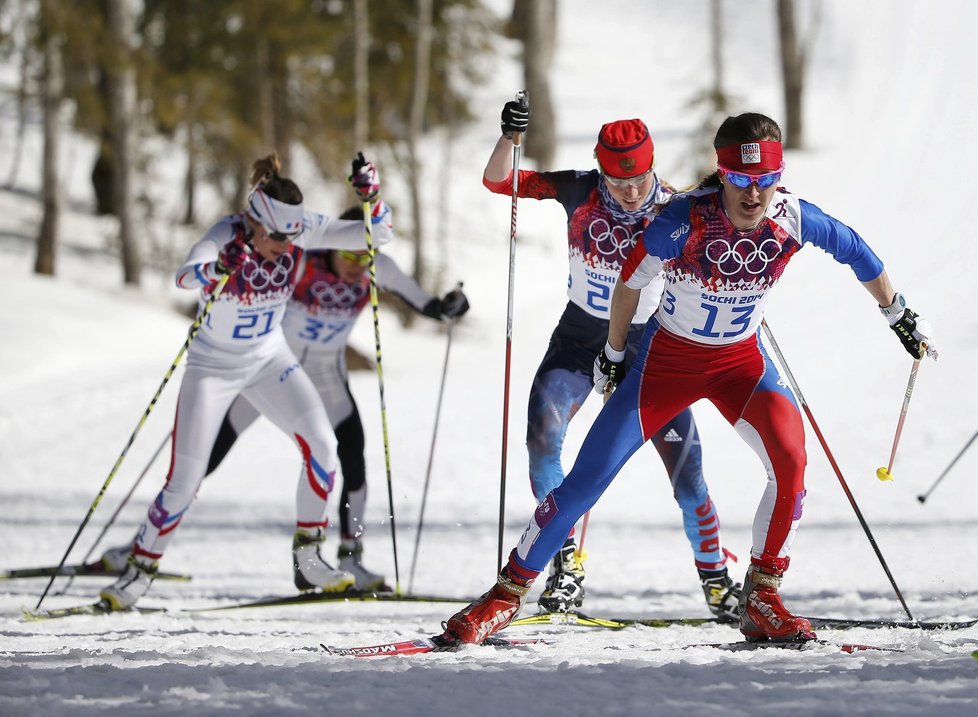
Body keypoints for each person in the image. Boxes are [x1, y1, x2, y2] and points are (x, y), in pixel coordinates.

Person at [444, 111, 937, 645]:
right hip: (666, 365)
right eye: (742, 180)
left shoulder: (793, 217)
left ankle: (762, 597)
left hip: (740, 365)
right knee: (587, 480)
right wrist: (612, 353)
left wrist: (899, 316)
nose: (754, 195)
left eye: (765, 180)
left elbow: (858, 252)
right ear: (722, 173)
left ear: (779, 175)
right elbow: (630, 283)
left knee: (791, 461)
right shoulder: (683, 218)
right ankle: (505, 595)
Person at [99, 152, 397, 609]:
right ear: (254, 221)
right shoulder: (227, 233)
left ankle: (308, 555)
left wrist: (370, 196)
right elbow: (183, 276)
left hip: (267, 358)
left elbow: (379, 234)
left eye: (293, 234)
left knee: (322, 447)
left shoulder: (299, 228)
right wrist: (217, 268)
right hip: (213, 368)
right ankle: (138, 571)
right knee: (185, 479)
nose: (286, 242)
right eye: (277, 235)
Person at [480, 100, 740, 618]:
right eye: (618, 182)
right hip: (579, 338)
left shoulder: (676, 205)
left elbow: (736, 207)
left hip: (651, 349)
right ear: (601, 170)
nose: (629, 191)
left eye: (639, 179)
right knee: (543, 437)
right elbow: (498, 183)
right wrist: (509, 138)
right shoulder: (578, 189)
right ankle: (564, 565)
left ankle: (716, 578)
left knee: (686, 471)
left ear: (652, 167)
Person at [188, 205, 470, 591]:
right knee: (207, 453)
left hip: (325, 375)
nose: (358, 264)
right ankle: (144, 543)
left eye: (365, 255)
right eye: (350, 253)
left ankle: (350, 558)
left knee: (353, 457)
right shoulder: (304, 261)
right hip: (272, 373)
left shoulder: (377, 266)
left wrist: (451, 305)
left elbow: (428, 306)